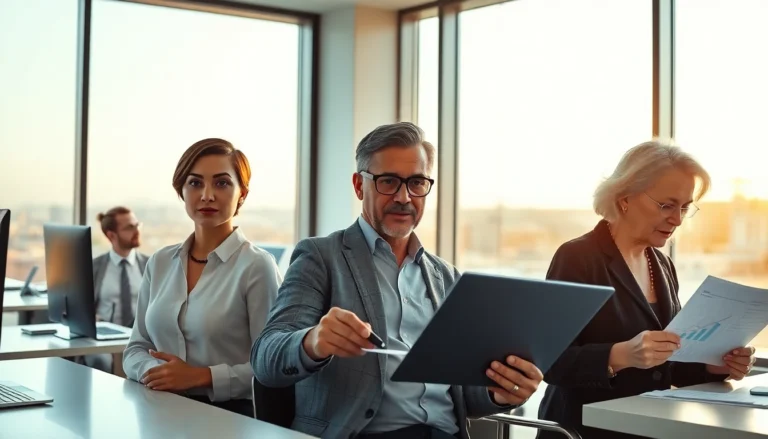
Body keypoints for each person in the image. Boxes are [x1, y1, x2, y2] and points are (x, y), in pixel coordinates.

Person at [252, 122, 543, 439]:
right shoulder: (321, 257)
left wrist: (500, 393)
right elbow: (267, 358)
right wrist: (313, 341)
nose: (404, 197)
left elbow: (463, 395)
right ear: (359, 186)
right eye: (388, 181)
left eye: (417, 183)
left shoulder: (448, 278)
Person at [537, 140, 756, 439]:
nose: (677, 219)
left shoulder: (662, 264)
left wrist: (716, 366)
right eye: (666, 205)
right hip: (584, 429)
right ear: (625, 197)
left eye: (684, 208)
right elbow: (551, 363)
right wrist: (622, 355)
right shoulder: (578, 257)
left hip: (647, 427)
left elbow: (668, 365)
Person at [123, 138, 281, 416]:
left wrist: (200, 376)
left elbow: (271, 366)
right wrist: (156, 372)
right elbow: (136, 347)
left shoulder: (257, 267)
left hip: (228, 419)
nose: (207, 195)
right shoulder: (160, 262)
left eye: (222, 183)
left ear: (242, 193)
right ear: (182, 191)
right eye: (195, 183)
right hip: (158, 412)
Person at [84, 206, 149, 373]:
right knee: (100, 361)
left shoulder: (150, 266)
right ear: (111, 235)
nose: (136, 231)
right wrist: (91, 318)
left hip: (140, 339)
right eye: (129, 227)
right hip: (103, 339)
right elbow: (80, 307)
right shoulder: (94, 267)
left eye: (137, 225)